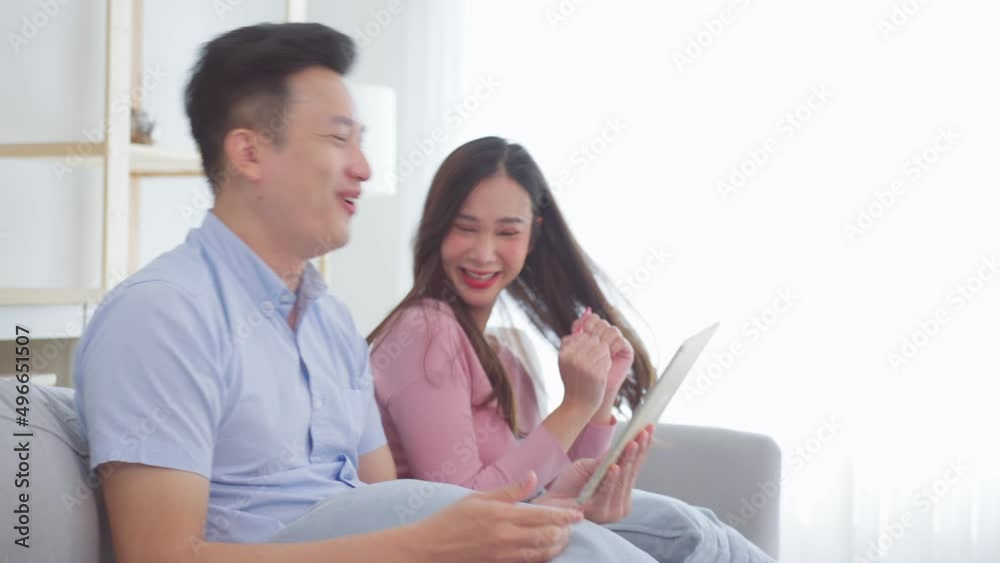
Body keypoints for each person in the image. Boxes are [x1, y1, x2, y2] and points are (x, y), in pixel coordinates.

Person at [73, 23, 665, 563]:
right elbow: (160, 557)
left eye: (361, 141)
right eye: (339, 139)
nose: (363, 167)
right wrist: (425, 544)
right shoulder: (162, 315)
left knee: (655, 536)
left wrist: (548, 504)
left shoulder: (330, 323)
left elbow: (393, 503)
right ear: (249, 153)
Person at [368, 136, 776, 562]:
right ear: (436, 226)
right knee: (691, 533)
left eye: (507, 232)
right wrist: (576, 406)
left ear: (533, 237)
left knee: (701, 530)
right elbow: (465, 512)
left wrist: (600, 399)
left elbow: (547, 490)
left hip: (523, 543)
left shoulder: (509, 362)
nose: (484, 252)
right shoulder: (424, 329)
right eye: (465, 227)